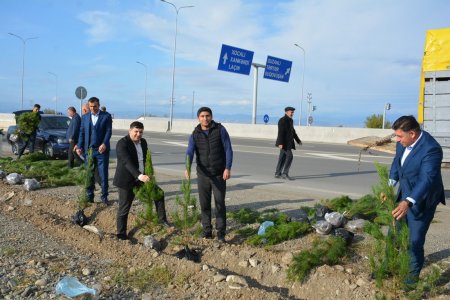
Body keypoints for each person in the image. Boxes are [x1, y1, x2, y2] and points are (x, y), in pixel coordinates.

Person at [389, 115, 445, 283]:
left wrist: (408, 201)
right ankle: (387, 269)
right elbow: (397, 163)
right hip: (403, 197)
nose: (397, 140)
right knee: (394, 236)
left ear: (412, 134)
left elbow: (426, 179)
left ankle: (410, 282)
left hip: (422, 201)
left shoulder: (431, 149)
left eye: (400, 136)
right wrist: (390, 183)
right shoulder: (402, 143)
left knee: (414, 242)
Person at [113, 121, 169, 240]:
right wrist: (139, 175)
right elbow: (126, 162)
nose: (138, 134)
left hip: (142, 178)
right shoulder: (122, 144)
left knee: (159, 194)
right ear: (130, 131)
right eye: (136, 131)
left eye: (141, 132)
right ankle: (121, 233)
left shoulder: (143, 142)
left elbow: (146, 159)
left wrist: (149, 173)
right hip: (126, 180)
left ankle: (162, 220)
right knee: (124, 207)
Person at [185, 107, 233, 242]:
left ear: (211, 116)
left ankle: (221, 233)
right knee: (204, 204)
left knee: (219, 204)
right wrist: (187, 166)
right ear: (198, 118)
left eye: (207, 116)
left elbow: (228, 149)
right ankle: (207, 231)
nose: (205, 118)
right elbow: (189, 151)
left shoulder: (220, 130)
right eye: (202, 116)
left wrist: (227, 168)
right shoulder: (195, 134)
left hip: (219, 174)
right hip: (203, 175)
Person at [76, 97, 112, 205]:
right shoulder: (85, 117)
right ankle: (89, 196)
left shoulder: (106, 116)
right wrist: (79, 146)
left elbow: (108, 131)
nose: (92, 108)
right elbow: (81, 133)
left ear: (99, 105)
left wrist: (104, 143)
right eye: (91, 106)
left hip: (102, 151)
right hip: (89, 151)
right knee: (89, 174)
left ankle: (104, 196)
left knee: (103, 174)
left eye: (95, 106)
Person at [274, 106, 302, 180]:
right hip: (284, 143)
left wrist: (298, 140)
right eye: (291, 112)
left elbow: (293, 131)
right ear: (286, 112)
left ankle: (277, 173)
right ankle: (285, 173)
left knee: (282, 158)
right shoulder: (282, 120)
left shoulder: (290, 120)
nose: (292, 113)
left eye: (293, 112)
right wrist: (280, 143)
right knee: (290, 156)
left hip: (289, 143)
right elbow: (280, 132)